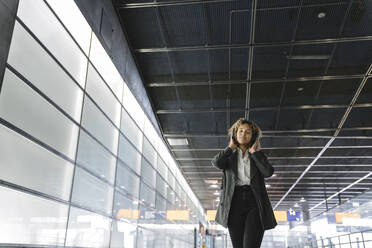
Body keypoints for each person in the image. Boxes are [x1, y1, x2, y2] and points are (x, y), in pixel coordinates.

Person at [211, 118, 277, 248]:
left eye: (247, 132)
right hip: (233, 202)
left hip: (254, 202)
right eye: (240, 131)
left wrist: (254, 153)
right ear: (235, 134)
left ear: (252, 136)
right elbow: (216, 163)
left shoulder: (258, 155)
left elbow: (268, 172)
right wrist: (230, 147)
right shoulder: (229, 155)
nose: (243, 134)